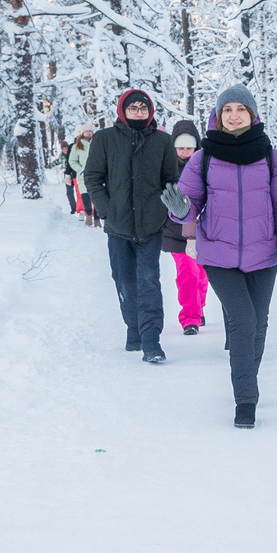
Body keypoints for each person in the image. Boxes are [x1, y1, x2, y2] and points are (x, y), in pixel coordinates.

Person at [162, 83, 277, 427]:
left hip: (264, 254)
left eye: (240, 109)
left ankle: (246, 379)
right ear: (218, 116)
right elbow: (188, 203)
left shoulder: (271, 157)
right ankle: (246, 401)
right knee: (243, 321)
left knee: (259, 324)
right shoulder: (204, 157)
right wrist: (180, 209)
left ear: (252, 115)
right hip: (218, 255)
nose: (234, 115)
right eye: (227, 110)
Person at [79, 90, 181, 364]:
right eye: (133, 107)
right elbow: (93, 176)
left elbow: (171, 180)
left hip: (151, 225)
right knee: (124, 279)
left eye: (143, 108)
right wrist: (106, 211)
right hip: (118, 224)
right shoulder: (104, 139)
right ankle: (133, 329)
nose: (139, 112)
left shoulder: (163, 141)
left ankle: (151, 341)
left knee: (148, 281)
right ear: (122, 110)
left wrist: (164, 210)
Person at [162, 115, 208, 337]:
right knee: (187, 274)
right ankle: (190, 318)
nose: (184, 152)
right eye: (180, 148)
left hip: (203, 231)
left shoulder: (205, 165)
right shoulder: (165, 166)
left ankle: (199, 308)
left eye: (189, 148)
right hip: (175, 232)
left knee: (202, 273)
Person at [64, 128, 95, 223]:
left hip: (96, 174)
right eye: (86, 131)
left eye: (90, 131)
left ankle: (96, 215)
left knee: (96, 194)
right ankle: (83, 212)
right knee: (81, 194)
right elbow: (70, 162)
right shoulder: (75, 146)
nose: (88, 133)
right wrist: (67, 173)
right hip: (78, 174)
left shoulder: (97, 142)